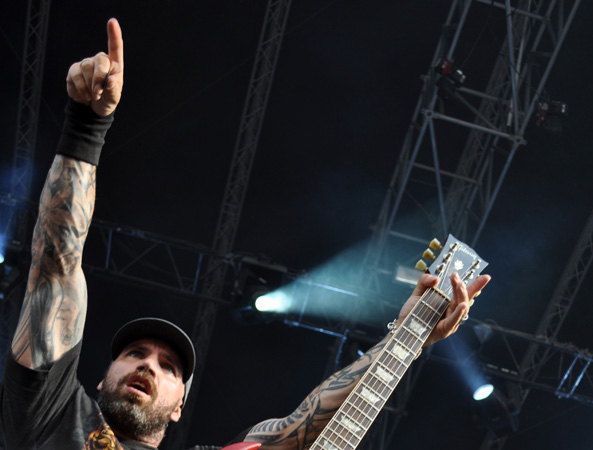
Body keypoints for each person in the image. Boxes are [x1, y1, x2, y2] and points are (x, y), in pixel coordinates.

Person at [0, 18, 490, 450]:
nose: (149, 365)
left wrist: (410, 334)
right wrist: (87, 126)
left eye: (170, 367)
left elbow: (303, 430)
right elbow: (56, 267)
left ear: (180, 407)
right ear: (102, 379)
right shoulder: (56, 416)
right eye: (134, 354)